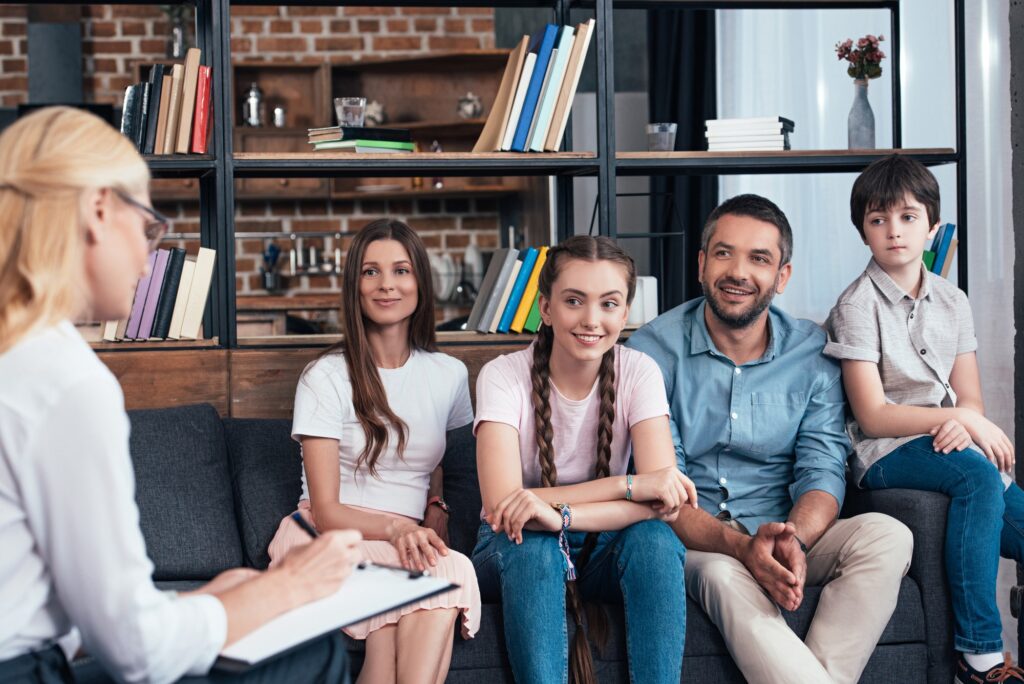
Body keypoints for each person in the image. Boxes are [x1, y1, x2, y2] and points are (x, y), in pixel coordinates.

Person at [0, 106, 362, 684]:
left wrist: (206, 603)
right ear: (97, 210)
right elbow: (136, 652)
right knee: (309, 651)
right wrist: (284, 588)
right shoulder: (64, 379)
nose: (149, 261)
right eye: (146, 226)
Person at [627, 194, 913, 684]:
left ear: (782, 276)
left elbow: (822, 468)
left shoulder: (812, 352)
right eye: (723, 253)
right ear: (701, 263)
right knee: (721, 573)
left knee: (888, 535)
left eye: (759, 258)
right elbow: (663, 488)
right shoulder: (651, 350)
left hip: (783, 530)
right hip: (697, 541)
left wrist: (793, 539)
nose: (738, 271)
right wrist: (740, 546)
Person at [824, 155, 1024, 682]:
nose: (894, 231)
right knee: (980, 476)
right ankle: (980, 653)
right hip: (884, 452)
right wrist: (953, 421)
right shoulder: (855, 305)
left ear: (933, 225)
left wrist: (963, 420)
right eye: (878, 219)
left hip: (943, 442)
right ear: (863, 230)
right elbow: (872, 415)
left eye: (909, 217)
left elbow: (971, 400)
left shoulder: (953, 302)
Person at [267, 219, 481, 684]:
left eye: (401, 270)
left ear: (420, 282)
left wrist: (434, 504)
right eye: (371, 272)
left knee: (386, 653)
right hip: (326, 541)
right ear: (355, 285)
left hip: (402, 546)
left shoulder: (448, 374)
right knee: (451, 570)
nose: (387, 285)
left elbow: (435, 456)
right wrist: (399, 526)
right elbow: (325, 510)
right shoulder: (324, 376)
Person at [472, 235, 694, 684]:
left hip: (601, 545)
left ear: (625, 313)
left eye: (609, 304)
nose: (592, 320)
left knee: (655, 541)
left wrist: (559, 514)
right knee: (532, 547)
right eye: (574, 301)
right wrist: (625, 485)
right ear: (547, 309)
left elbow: (663, 503)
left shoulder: (639, 372)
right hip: (510, 547)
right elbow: (504, 507)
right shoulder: (502, 376)